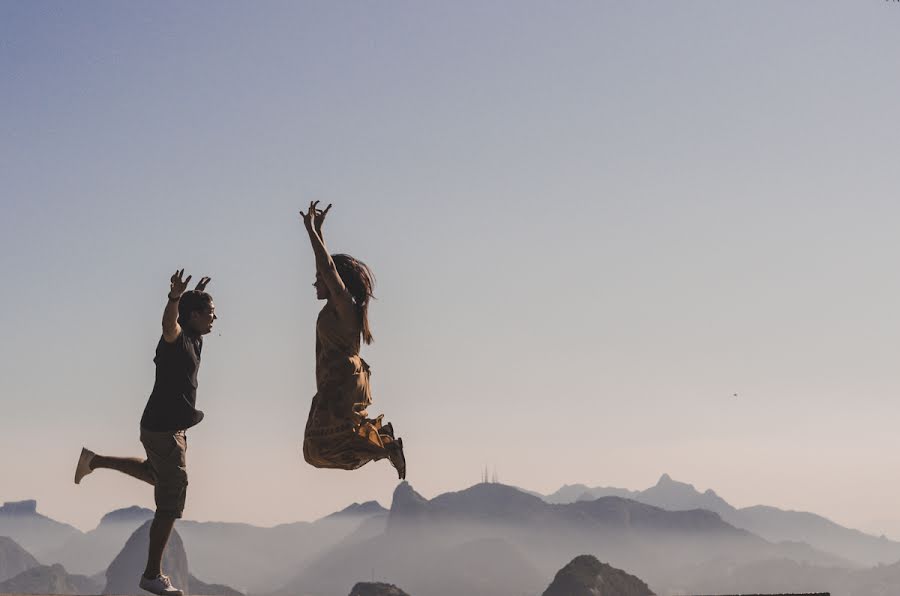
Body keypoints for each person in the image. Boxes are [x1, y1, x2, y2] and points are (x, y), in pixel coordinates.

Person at [73, 270, 216, 596]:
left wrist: (193, 295)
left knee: (158, 475)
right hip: (164, 429)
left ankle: (93, 460)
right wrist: (175, 298)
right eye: (210, 312)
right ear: (193, 316)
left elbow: (186, 318)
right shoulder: (176, 339)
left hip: (166, 428)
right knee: (171, 500)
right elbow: (169, 324)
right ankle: (152, 575)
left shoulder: (195, 338)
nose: (215, 317)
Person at [300, 201, 406, 479]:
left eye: (318, 280)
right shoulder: (340, 306)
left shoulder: (344, 304)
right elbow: (326, 267)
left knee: (320, 447)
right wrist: (320, 231)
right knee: (316, 448)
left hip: (343, 377)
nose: (315, 283)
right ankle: (383, 440)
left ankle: (385, 446)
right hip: (339, 377)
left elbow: (327, 268)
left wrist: (310, 231)